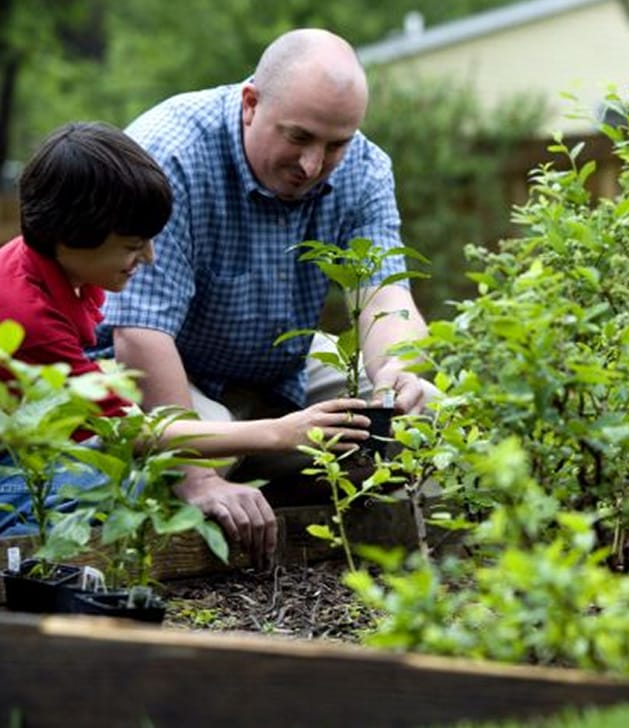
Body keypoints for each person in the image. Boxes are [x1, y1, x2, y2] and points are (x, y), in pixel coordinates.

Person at [94, 29, 434, 561]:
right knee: (200, 451)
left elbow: (385, 294)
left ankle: (282, 503)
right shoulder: (171, 154)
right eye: (299, 137)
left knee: (428, 419)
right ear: (251, 104)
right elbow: (138, 336)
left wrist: (395, 373)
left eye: (335, 144)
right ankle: (227, 495)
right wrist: (200, 479)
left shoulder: (366, 169)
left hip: (283, 373)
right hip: (172, 374)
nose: (313, 164)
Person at [0, 121, 374, 537]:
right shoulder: (24, 314)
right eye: (131, 245)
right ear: (70, 236)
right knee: (135, 482)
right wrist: (280, 432)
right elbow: (127, 432)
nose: (148, 256)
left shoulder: (59, 267)